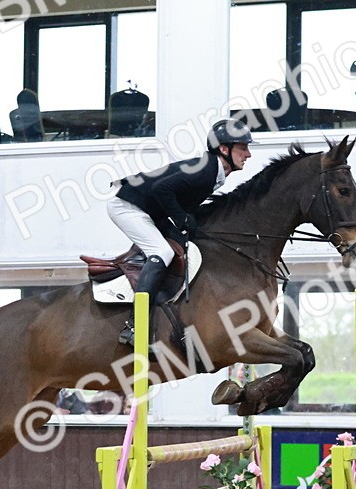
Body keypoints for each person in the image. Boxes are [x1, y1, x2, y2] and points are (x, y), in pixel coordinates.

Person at [108, 118, 254, 347]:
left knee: (188, 247)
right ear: (224, 149)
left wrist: (186, 221)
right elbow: (162, 189)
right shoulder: (206, 171)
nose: (248, 154)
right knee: (162, 252)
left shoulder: (213, 171)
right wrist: (183, 219)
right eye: (243, 148)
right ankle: (135, 326)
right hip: (127, 206)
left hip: (149, 208)